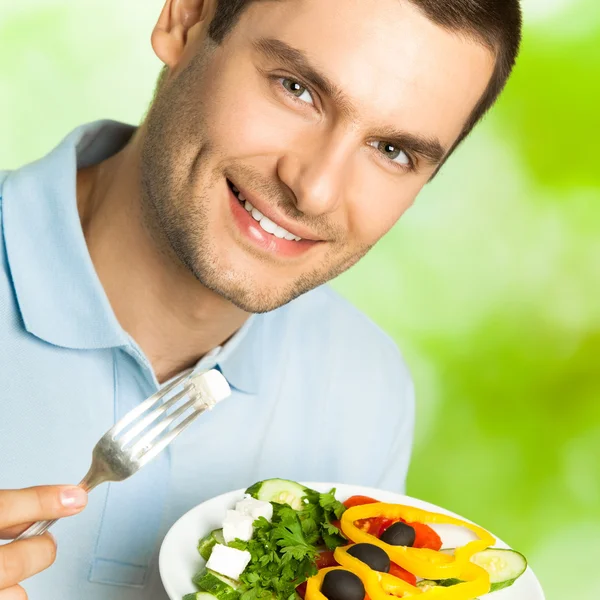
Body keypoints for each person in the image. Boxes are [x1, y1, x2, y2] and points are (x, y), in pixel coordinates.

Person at [0, 0, 522, 597]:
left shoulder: (364, 388)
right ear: (185, 21)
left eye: (393, 151)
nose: (316, 189)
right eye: (296, 88)